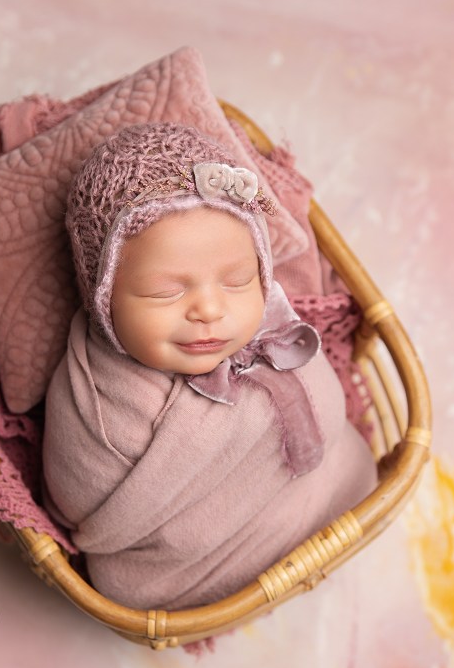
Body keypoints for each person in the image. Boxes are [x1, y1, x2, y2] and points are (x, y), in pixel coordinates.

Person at [41, 122, 377, 610]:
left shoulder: (276, 324)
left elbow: (325, 405)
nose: (209, 311)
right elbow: (83, 505)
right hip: (178, 574)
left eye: (238, 280)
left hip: (326, 494)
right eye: (167, 291)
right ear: (103, 296)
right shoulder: (100, 399)